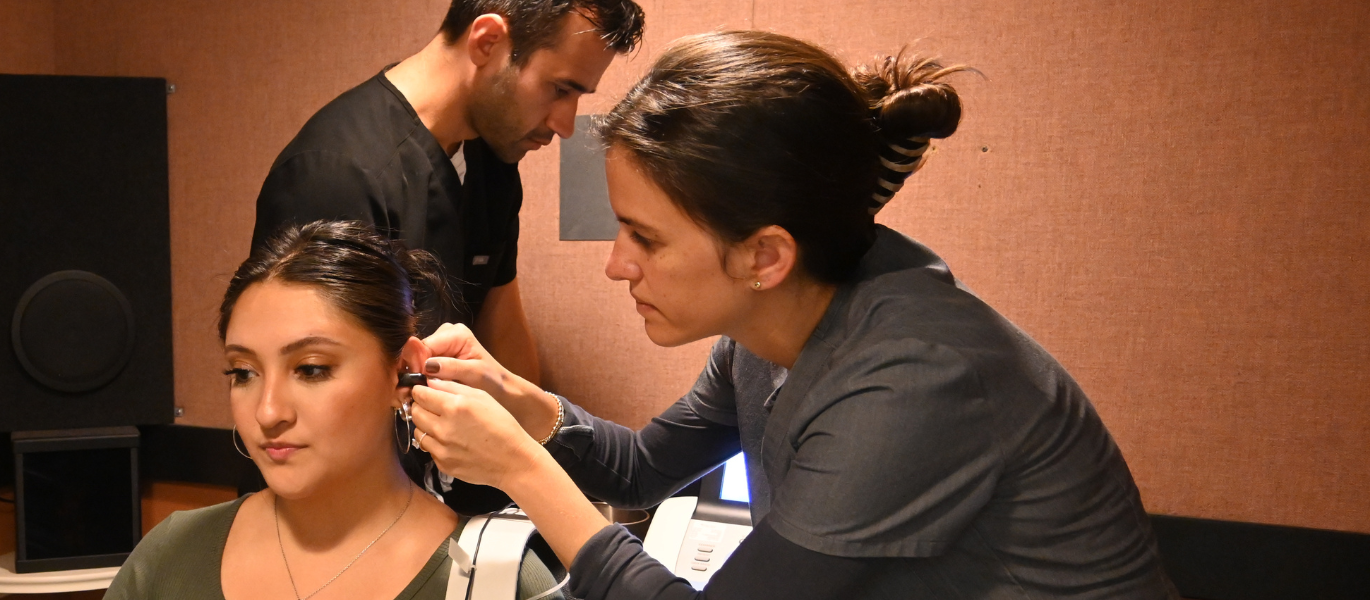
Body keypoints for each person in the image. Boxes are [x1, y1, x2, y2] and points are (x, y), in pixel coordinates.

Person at [401, 30, 1182, 599]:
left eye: (644, 236)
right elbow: (643, 468)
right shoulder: (770, 336)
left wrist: (517, 468)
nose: (617, 264)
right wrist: (521, 404)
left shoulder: (914, 381)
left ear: (765, 258)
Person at [104, 221, 565, 600]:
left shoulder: (499, 580)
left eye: (310, 368)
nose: (268, 413)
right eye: (243, 373)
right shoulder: (171, 558)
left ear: (402, 371)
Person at [251, 0, 646, 386]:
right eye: (560, 89)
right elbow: (312, 387)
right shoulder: (334, 173)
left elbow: (502, 332)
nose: (565, 125)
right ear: (487, 41)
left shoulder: (490, 158)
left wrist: (529, 441)